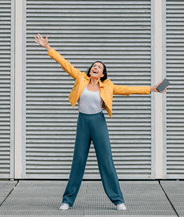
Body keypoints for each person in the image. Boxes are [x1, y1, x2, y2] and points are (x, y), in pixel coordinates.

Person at [34, 33, 167, 211]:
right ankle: (67, 200)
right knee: (78, 160)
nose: (95, 67)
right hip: (83, 122)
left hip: (98, 122)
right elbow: (64, 63)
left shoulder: (108, 86)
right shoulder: (80, 77)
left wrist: (153, 89)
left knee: (106, 161)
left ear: (102, 73)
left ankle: (118, 200)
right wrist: (47, 47)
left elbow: (129, 89)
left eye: (99, 67)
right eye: (94, 66)